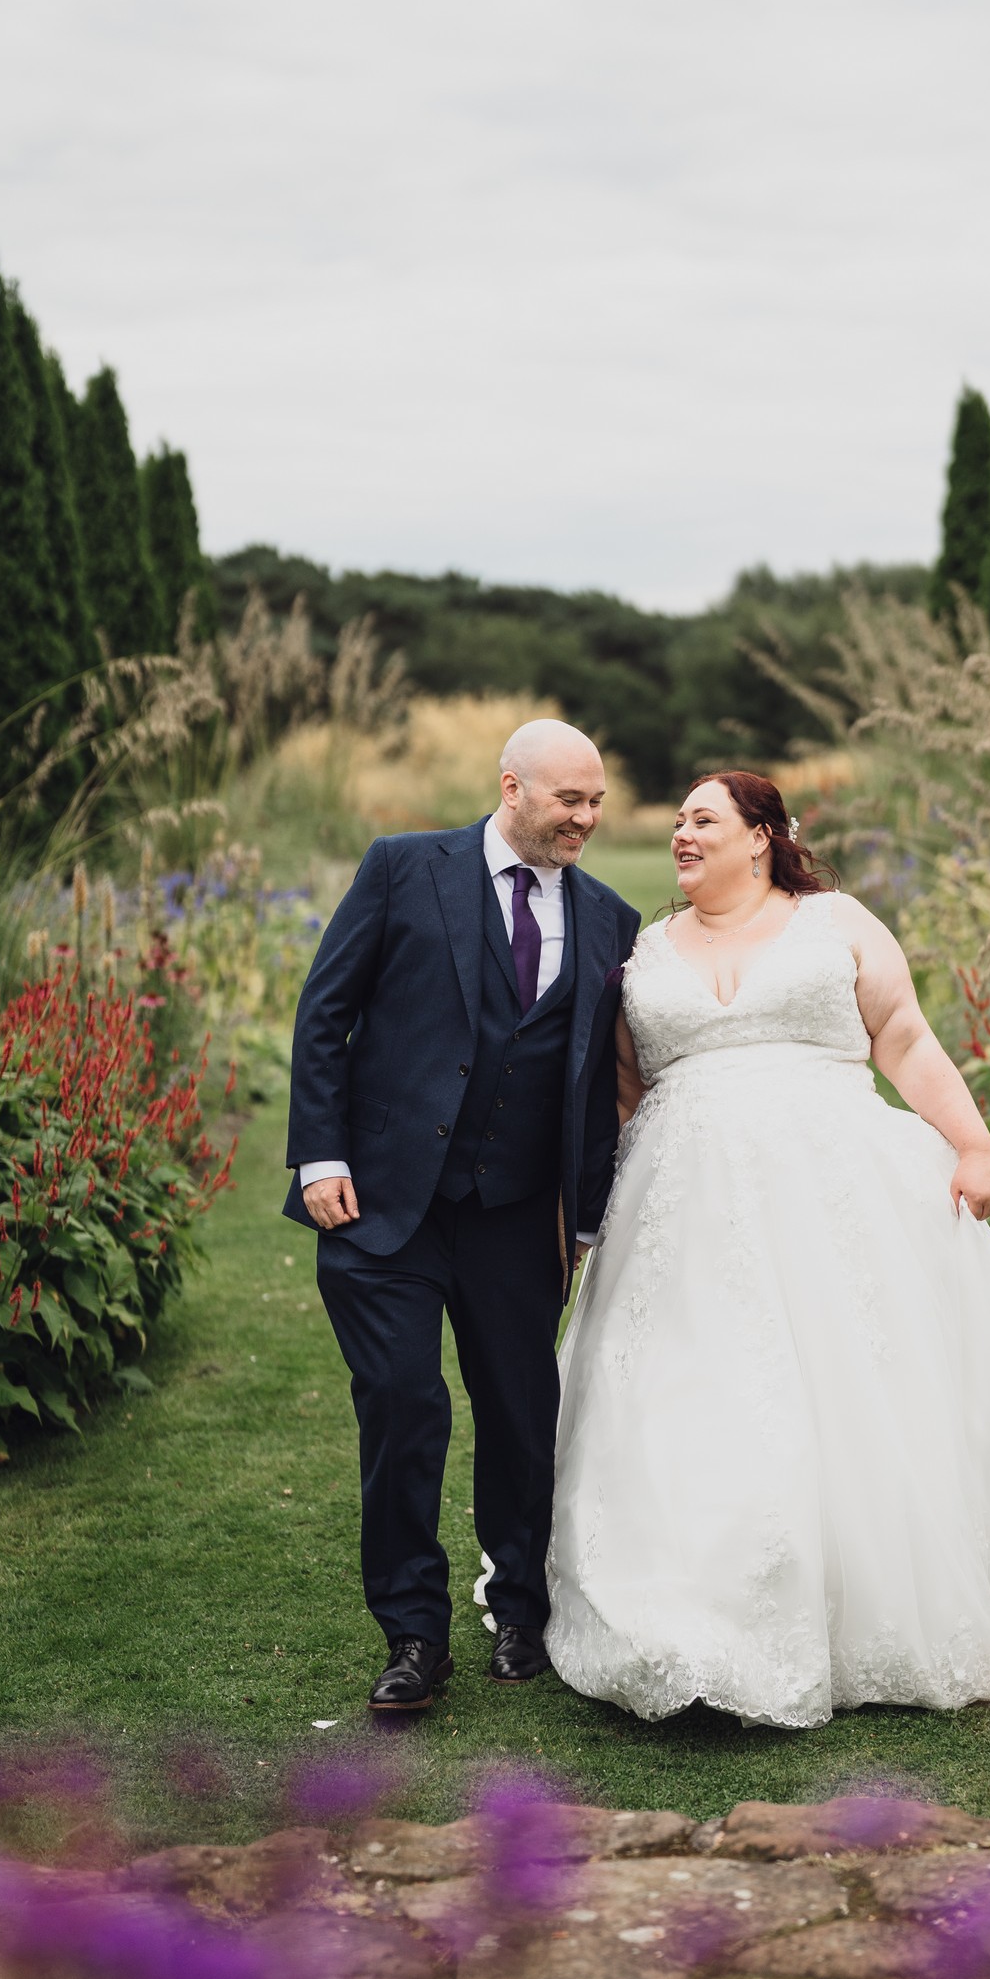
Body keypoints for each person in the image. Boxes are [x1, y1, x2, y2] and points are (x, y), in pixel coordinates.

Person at [546, 770, 990, 1729]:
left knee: (851, 1388)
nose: (681, 833)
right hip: (682, 1210)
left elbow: (906, 1037)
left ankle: (864, 1590)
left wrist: (972, 1146)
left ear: (761, 836)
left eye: (703, 820)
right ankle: (685, 1608)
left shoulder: (834, 921)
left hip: (834, 1190)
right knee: (690, 1390)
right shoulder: (645, 950)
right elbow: (626, 1094)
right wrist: (587, 1215)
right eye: (674, 821)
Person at [284, 720, 640, 1712]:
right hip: (380, 1200)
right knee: (404, 1405)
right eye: (569, 800)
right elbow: (325, 1012)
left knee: (525, 1418)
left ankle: (519, 1604)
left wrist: (584, 1217)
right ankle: (412, 1633)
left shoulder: (610, 919)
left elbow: (592, 1079)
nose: (586, 818)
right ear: (512, 786)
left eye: (597, 800)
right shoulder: (404, 869)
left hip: (516, 1213)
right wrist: (320, 1151)